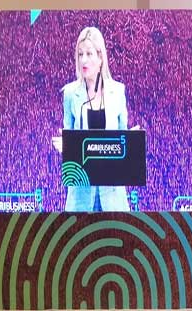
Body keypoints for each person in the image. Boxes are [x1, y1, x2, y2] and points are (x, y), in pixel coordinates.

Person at [54, 26, 130, 211]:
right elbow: (70, 140)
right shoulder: (70, 94)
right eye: (80, 54)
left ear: (100, 57)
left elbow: (123, 143)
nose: (83, 60)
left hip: (112, 196)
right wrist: (67, 147)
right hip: (81, 196)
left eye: (89, 54)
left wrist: (132, 141)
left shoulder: (117, 92)